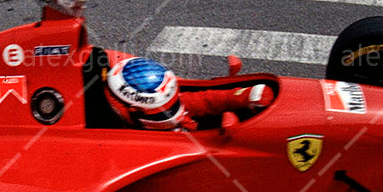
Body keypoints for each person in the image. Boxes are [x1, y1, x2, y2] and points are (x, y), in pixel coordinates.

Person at [104, 56, 273, 131]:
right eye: (167, 109)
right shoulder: (123, 134)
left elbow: (203, 101)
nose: (177, 111)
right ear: (132, 110)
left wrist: (244, 96)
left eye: (173, 100)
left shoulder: (163, 102)